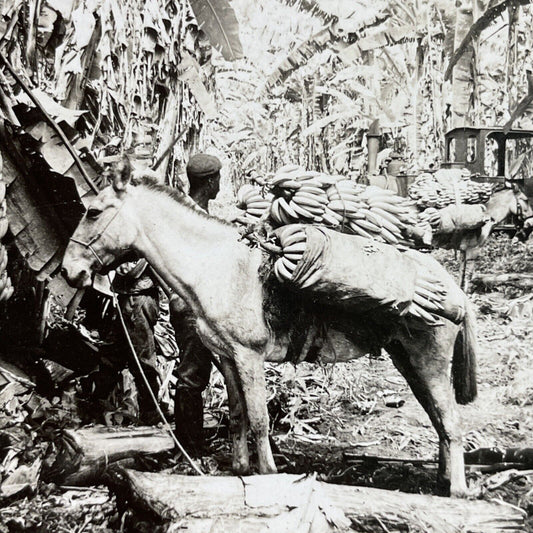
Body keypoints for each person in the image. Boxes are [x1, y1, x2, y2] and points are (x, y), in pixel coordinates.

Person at [170, 153, 222, 454]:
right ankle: (188, 448)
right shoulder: (188, 218)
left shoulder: (196, 212)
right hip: (191, 305)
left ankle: (192, 441)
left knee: (197, 373)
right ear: (210, 182)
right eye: (218, 179)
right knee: (191, 375)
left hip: (204, 304)